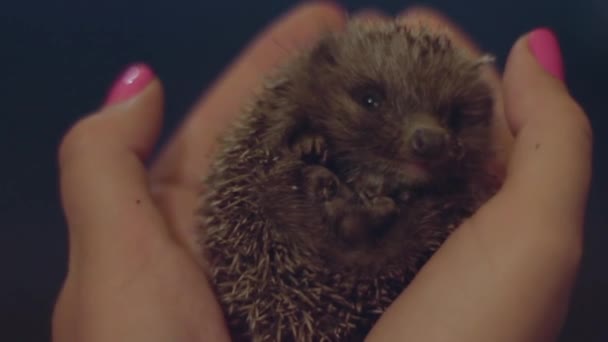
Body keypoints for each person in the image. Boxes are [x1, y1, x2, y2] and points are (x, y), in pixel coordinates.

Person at [51, 3, 592, 341]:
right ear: (320, 79)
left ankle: (364, 227)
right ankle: (352, 223)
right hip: (292, 229)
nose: (427, 134)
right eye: (375, 101)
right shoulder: (289, 127)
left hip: (379, 247)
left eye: (450, 116)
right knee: (275, 188)